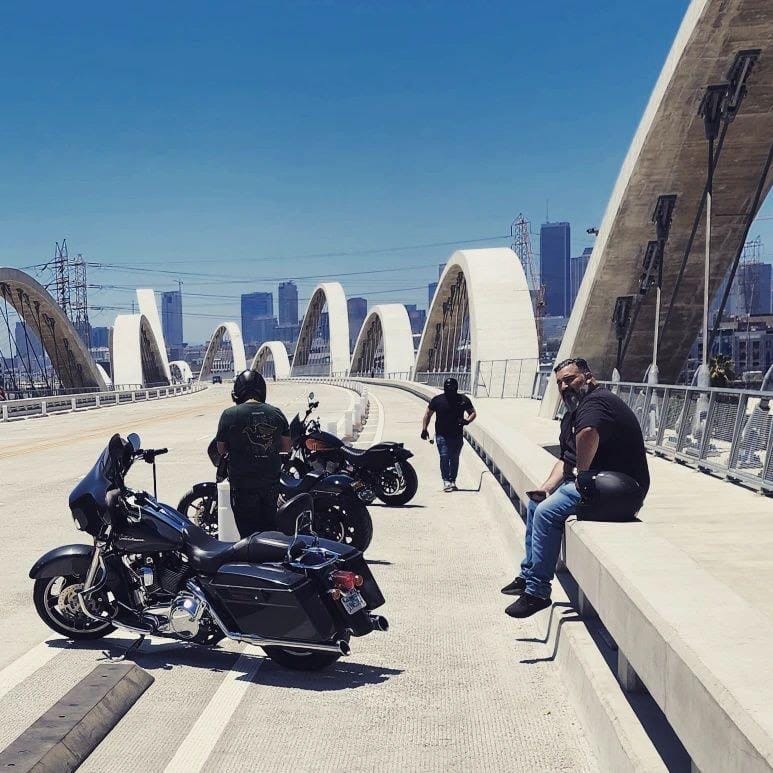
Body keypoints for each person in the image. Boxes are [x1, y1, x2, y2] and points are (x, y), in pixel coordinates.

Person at [501, 357, 650, 618]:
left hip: (622, 489)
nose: (564, 386)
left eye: (570, 379)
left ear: (588, 377)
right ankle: (528, 576)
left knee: (547, 513)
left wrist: (581, 475)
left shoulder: (596, 402)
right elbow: (566, 458)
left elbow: (589, 432)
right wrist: (546, 487)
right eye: (559, 383)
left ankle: (537, 593)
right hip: (600, 484)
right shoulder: (573, 412)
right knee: (538, 503)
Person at [215, 370, 291, 538]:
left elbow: (221, 449)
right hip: (270, 484)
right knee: (270, 530)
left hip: (243, 485)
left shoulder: (229, 415)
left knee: (249, 535)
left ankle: (253, 560)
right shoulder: (276, 412)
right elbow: (286, 447)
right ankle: (271, 561)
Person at [421, 377, 477, 492]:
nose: (450, 390)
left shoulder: (463, 399)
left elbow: (473, 413)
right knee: (444, 456)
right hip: (441, 434)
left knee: (454, 458)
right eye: (448, 387)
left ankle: (452, 481)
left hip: (457, 435)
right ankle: (446, 480)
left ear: (456, 388)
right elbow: (428, 414)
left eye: (452, 388)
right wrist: (424, 429)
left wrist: (467, 421)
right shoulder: (437, 400)